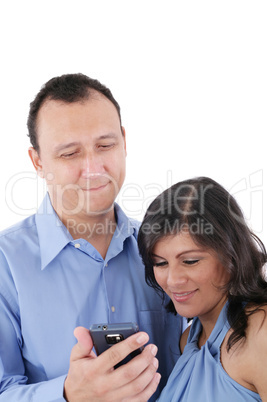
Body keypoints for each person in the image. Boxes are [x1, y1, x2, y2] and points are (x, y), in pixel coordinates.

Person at [0, 73, 185, 401]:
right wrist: (68, 394)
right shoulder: (6, 263)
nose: (94, 167)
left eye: (105, 145)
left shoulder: (168, 246)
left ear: (124, 142)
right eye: (70, 153)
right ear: (38, 161)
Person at [138, 176, 267, 401]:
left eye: (190, 261)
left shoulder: (261, 332)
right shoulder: (189, 338)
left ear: (232, 255)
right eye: (160, 263)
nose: (173, 280)